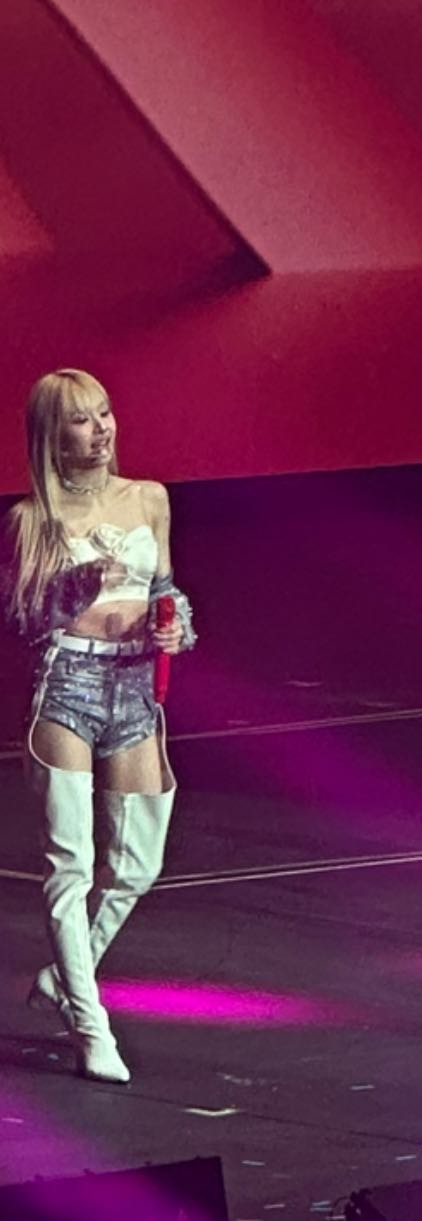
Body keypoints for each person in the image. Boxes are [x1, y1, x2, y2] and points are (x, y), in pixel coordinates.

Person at [4, 369, 195, 1084]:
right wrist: (79, 584)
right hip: (69, 685)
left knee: (138, 861)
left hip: (135, 684)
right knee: (71, 865)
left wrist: (176, 625)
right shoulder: (32, 519)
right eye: (83, 419)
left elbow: (165, 590)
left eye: (106, 413)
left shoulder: (148, 497)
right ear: (53, 437)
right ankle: (90, 1025)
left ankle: (62, 976)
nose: (102, 429)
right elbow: (24, 622)